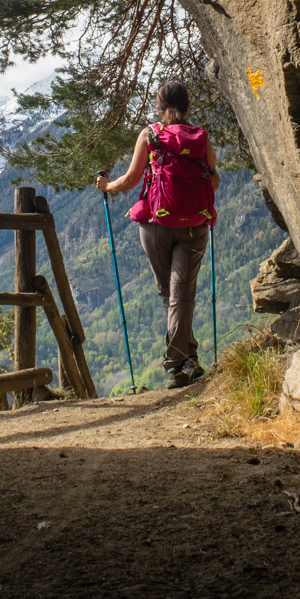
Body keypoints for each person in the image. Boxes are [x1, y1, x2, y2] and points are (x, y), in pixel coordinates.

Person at [95, 81, 221, 388]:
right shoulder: (200, 139)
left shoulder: (150, 135)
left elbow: (130, 179)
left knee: (171, 294)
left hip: (155, 225)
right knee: (183, 293)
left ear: (159, 105)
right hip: (193, 227)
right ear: (188, 106)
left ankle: (175, 364)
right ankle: (186, 359)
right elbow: (213, 181)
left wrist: (107, 187)